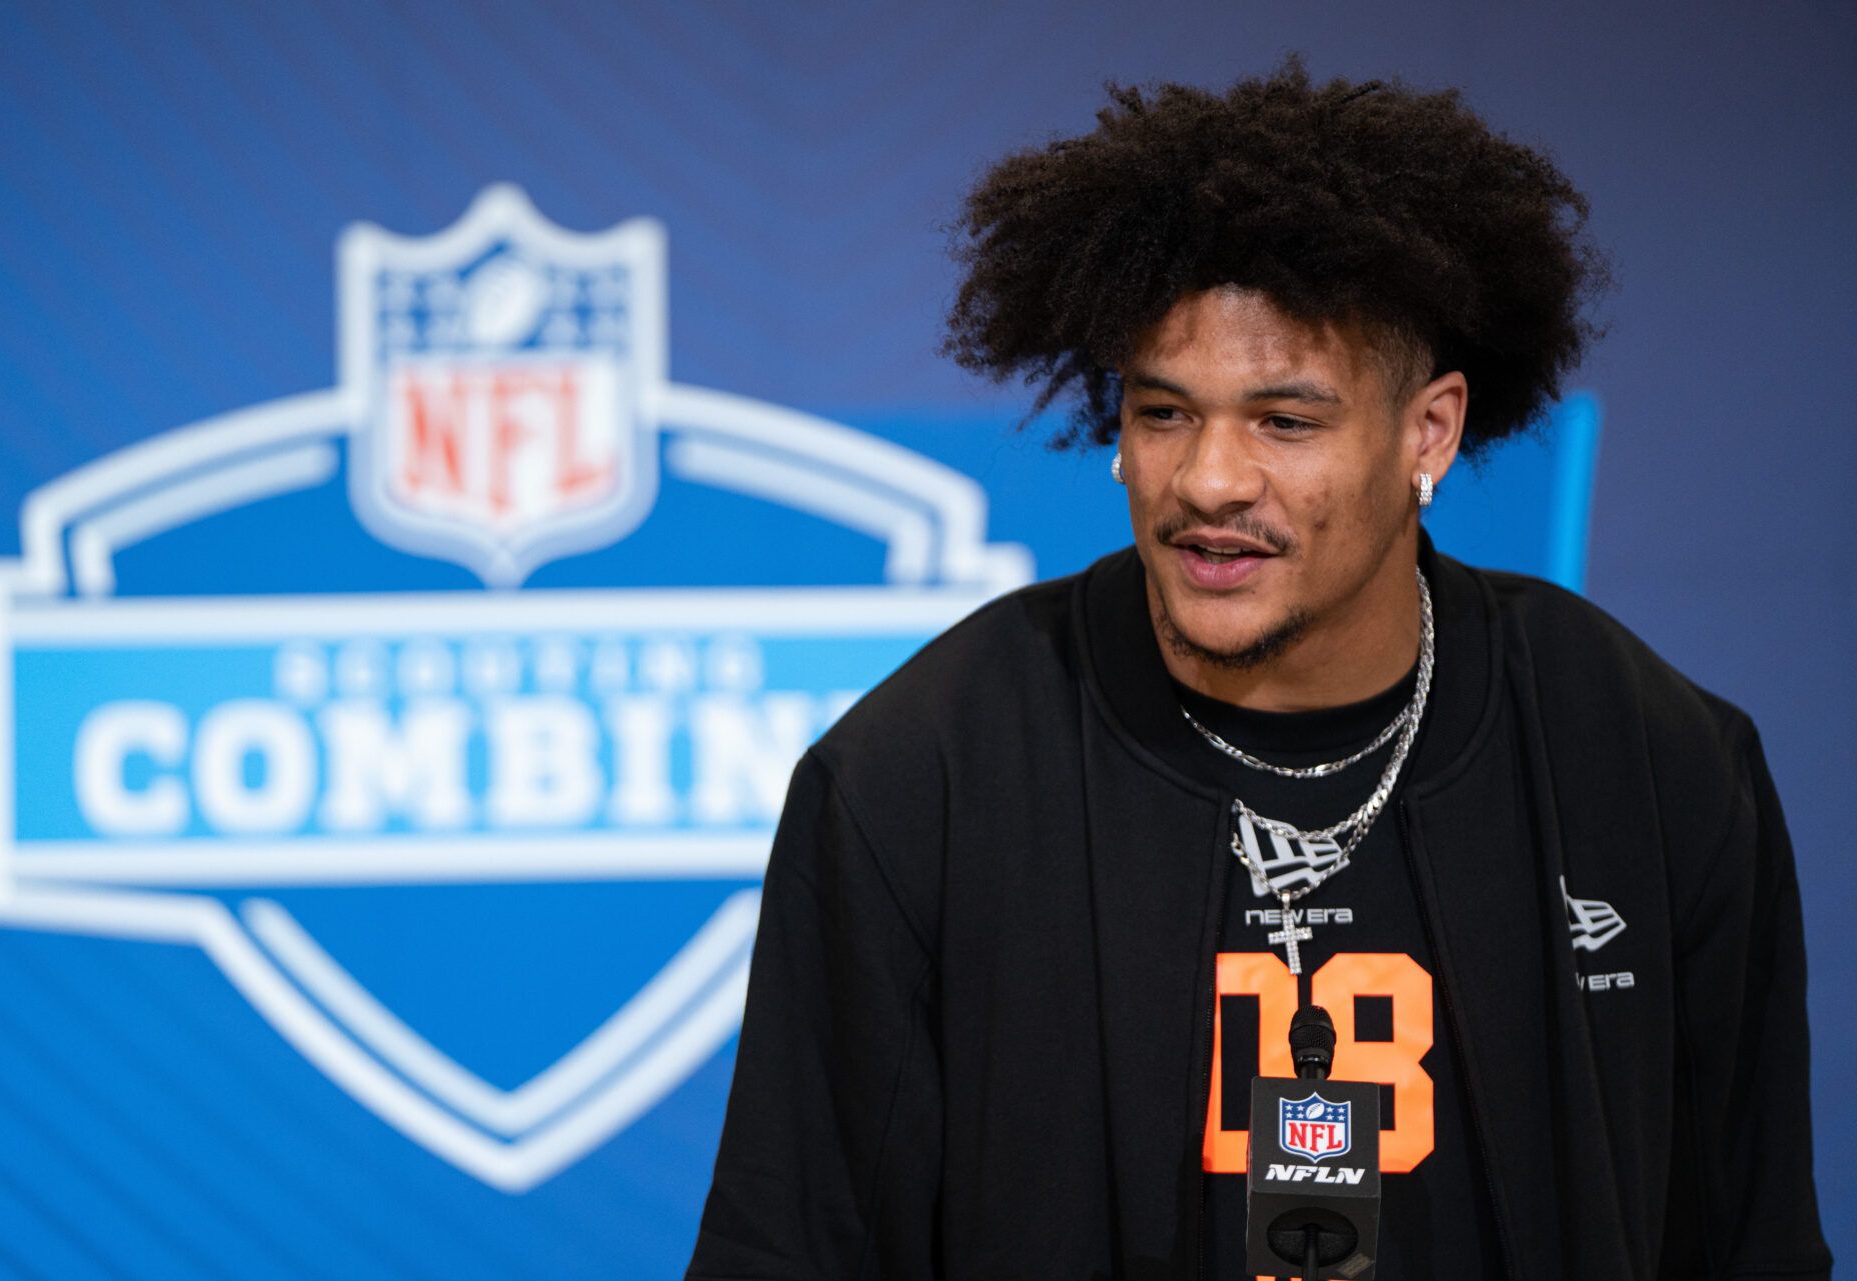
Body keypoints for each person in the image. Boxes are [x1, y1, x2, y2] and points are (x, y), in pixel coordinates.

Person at [685, 60, 1831, 1280]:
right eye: (1164, 413)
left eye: (1285, 422)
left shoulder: (1649, 758)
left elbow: (1750, 1242)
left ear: (1429, 431)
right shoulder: (919, 779)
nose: (1209, 482)